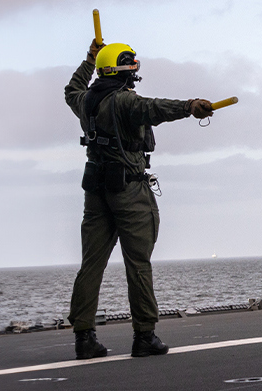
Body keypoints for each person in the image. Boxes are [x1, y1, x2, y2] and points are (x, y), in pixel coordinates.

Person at [63, 39, 214, 360]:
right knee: (138, 264)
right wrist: (190, 106)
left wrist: (88, 60)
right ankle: (144, 335)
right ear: (125, 69)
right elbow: (155, 108)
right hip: (129, 190)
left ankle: (84, 338)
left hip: (96, 192)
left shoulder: (85, 101)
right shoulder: (125, 102)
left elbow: (71, 89)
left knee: (91, 264)